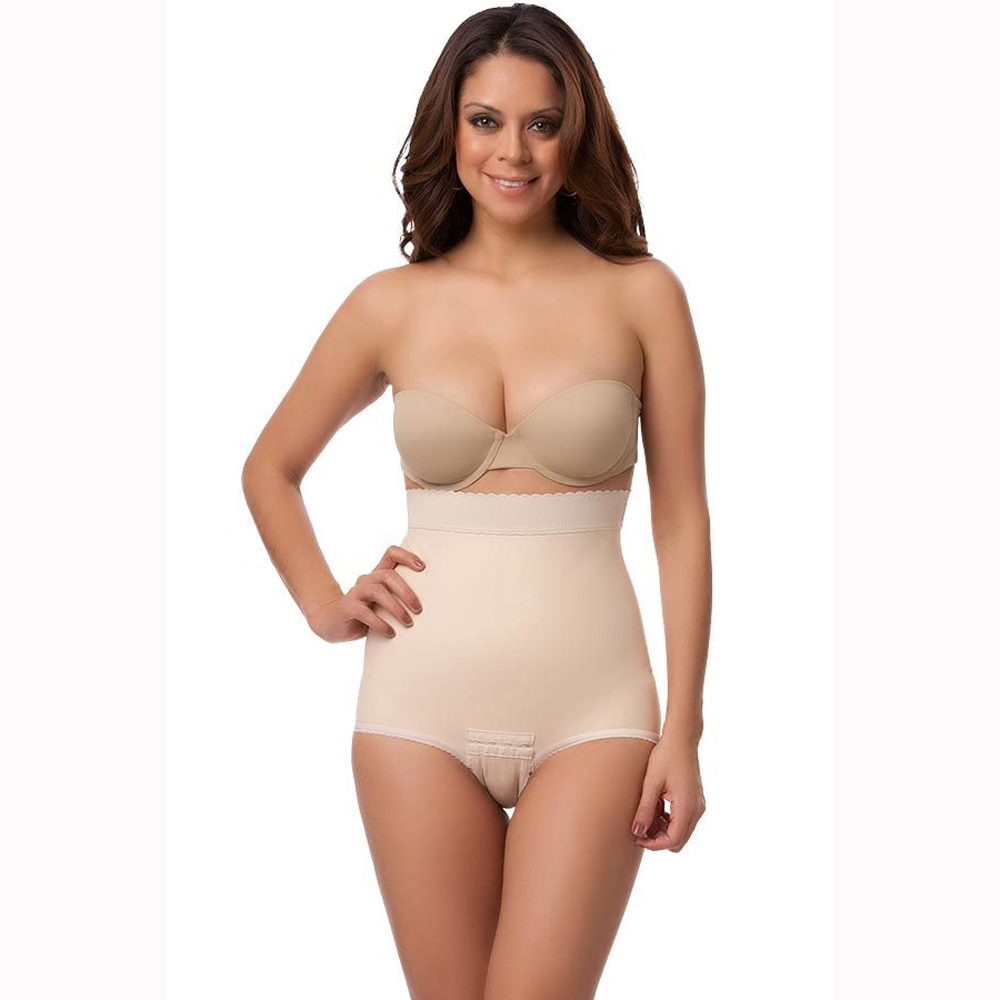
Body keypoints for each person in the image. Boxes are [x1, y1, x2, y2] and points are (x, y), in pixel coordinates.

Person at [241, 5, 711, 997]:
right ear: (448, 129)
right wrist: (324, 603)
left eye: (543, 123)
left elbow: (681, 520)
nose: (514, 152)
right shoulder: (389, 304)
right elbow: (269, 467)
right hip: (416, 713)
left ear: (577, 132)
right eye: (486, 120)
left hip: (596, 712)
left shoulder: (643, 295)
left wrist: (684, 730)